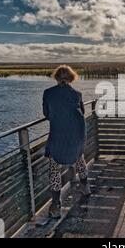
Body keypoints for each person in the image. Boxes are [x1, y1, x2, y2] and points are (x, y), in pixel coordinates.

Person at [43, 65, 91, 219]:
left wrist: (60, 117)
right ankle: (85, 186)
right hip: (77, 133)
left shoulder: (48, 93)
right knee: (79, 157)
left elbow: (47, 114)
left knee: (54, 167)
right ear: (71, 78)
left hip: (58, 133)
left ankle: (56, 205)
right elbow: (82, 112)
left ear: (56, 78)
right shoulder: (77, 94)